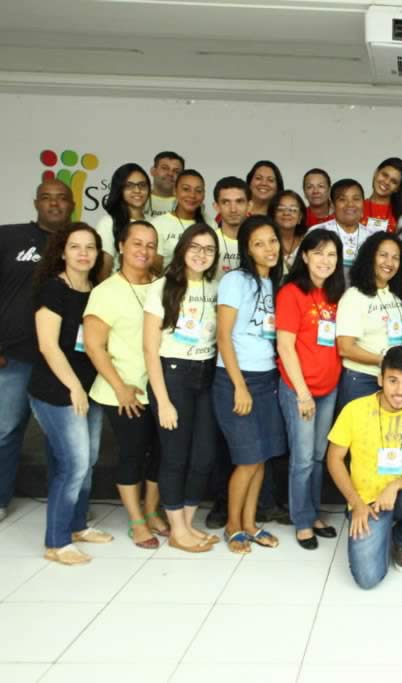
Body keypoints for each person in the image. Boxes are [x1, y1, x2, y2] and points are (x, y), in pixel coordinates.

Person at [0, 179, 73, 536]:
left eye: (61, 199)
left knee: (59, 436)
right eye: (47, 198)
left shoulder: (77, 244)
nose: (54, 204)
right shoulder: (5, 237)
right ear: (36, 203)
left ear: (72, 204)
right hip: (11, 356)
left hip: (58, 360)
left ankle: (66, 507)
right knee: (4, 432)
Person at [326, 346, 402, 588]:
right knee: (367, 578)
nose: (400, 391)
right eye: (393, 381)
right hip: (366, 502)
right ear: (380, 379)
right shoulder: (355, 410)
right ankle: (380, 531)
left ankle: (401, 540)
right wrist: (356, 503)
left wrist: (395, 485)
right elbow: (334, 459)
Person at [29, 223, 111, 564]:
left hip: (88, 389)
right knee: (73, 463)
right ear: (61, 251)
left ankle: (78, 525)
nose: (83, 253)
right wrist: (74, 387)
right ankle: (57, 542)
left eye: (90, 247)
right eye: (75, 247)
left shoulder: (96, 290)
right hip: (56, 391)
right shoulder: (53, 289)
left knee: (88, 461)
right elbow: (48, 346)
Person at [84, 220, 166, 549]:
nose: (143, 251)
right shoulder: (106, 292)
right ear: (120, 246)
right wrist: (119, 387)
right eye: (137, 243)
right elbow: (94, 346)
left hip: (159, 388)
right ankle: (136, 520)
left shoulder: (161, 285)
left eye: (150, 245)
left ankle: (150, 510)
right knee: (133, 454)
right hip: (124, 392)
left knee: (161, 452)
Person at [143, 223, 221, 553]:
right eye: (195, 247)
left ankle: (187, 524)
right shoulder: (163, 287)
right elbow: (149, 348)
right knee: (175, 456)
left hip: (206, 374)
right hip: (172, 374)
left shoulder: (216, 288)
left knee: (203, 455)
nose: (201, 255)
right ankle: (177, 530)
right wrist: (162, 400)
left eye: (209, 249)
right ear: (182, 250)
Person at [213, 215, 287, 554]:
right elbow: (223, 337)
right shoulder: (235, 281)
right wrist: (238, 385)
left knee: (261, 458)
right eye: (259, 243)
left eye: (272, 240)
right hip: (235, 379)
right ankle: (232, 526)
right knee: (246, 459)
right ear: (247, 249)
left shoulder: (275, 283)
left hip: (266, 377)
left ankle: (250, 523)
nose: (268, 248)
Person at [276, 230, 345, 550]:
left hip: (328, 387)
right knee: (302, 458)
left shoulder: (335, 293)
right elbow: (285, 346)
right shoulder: (291, 292)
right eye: (318, 253)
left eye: (331, 254)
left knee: (318, 457)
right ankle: (302, 520)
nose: (325, 260)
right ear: (304, 256)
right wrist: (302, 393)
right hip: (298, 389)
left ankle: (314, 513)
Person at [335, 231, 402, 411]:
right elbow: (345, 347)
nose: (389, 263)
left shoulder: (396, 296)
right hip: (361, 379)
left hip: (390, 381)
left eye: (395, 257)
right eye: (382, 255)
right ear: (370, 258)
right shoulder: (354, 296)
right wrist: (383, 360)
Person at [312, 178, 380, 279]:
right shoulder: (317, 232)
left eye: (356, 199)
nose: (350, 204)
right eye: (342, 199)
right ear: (332, 205)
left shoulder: (374, 237)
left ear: (363, 203)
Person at [96, 163, 151, 273]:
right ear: (119, 190)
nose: (137, 190)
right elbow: (103, 271)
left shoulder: (153, 223)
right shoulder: (109, 222)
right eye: (129, 186)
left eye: (142, 185)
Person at [151, 169, 207, 270]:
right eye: (186, 189)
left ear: (204, 195)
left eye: (198, 191)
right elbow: (155, 270)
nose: (192, 195)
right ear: (175, 191)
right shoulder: (158, 224)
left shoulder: (210, 224)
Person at [212, 176, 250, 278]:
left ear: (250, 206)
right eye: (226, 202)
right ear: (216, 207)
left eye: (239, 201)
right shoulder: (208, 241)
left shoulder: (261, 242)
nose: (233, 209)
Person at [364, 157, 402, 233]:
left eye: (393, 181)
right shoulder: (355, 207)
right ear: (376, 172)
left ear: (398, 188)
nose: (386, 182)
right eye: (384, 175)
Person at [269, 190, 308, 273]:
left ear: (300, 217)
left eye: (293, 210)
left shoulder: (308, 240)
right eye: (281, 209)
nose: (286, 213)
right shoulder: (265, 240)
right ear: (273, 214)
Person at [148, 151, 184, 219]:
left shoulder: (187, 203)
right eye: (164, 168)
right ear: (153, 171)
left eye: (176, 171)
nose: (170, 173)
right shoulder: (138, 199)